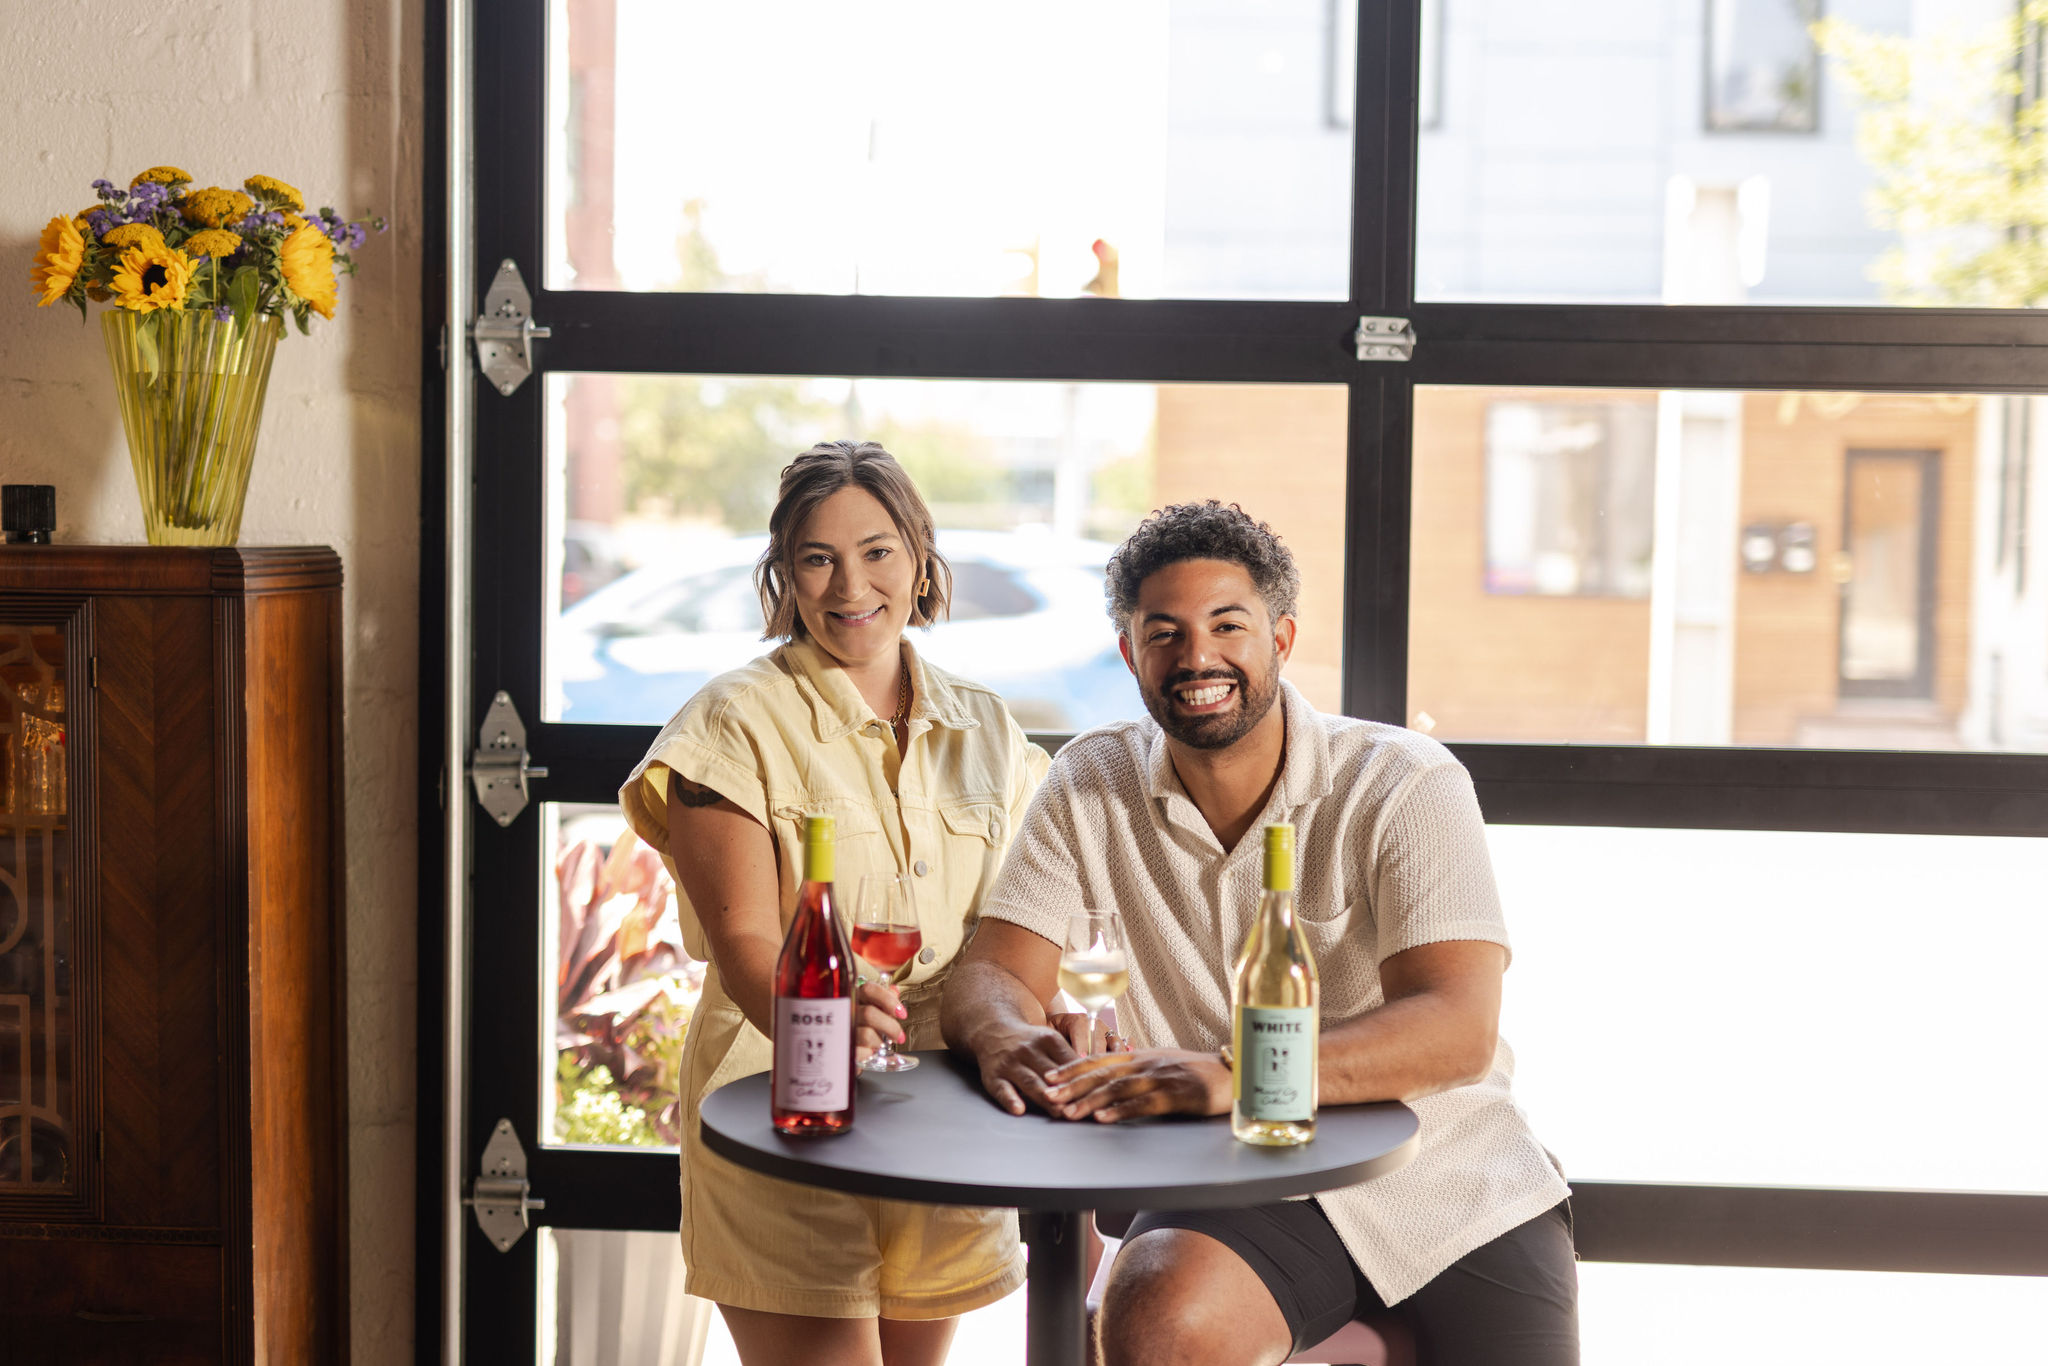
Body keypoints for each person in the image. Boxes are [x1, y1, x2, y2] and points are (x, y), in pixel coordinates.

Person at [941, 501, 1578, 1366]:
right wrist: (1007, 1037)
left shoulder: (1404, 783)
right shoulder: (1090, 779)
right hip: (1234, 1184)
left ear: (1280, 638)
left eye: (1226, 625)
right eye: (1164, 633)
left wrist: (1236, 1074)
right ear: (1130, 654)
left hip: (1448, 1181)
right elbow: (992, 974)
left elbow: (1457, 1027)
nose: (1196, 656)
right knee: (1156, 1315)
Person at [619, 441, 1049, 1366]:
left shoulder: (987, 726)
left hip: (943, 1112)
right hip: (782, 1108)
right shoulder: (732, 722)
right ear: (784, 574)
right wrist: (816, 1019)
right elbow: (743, 935)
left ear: (921, 561)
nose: (851, 585)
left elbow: (1024, 924)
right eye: (818, 558)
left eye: (878, 551)